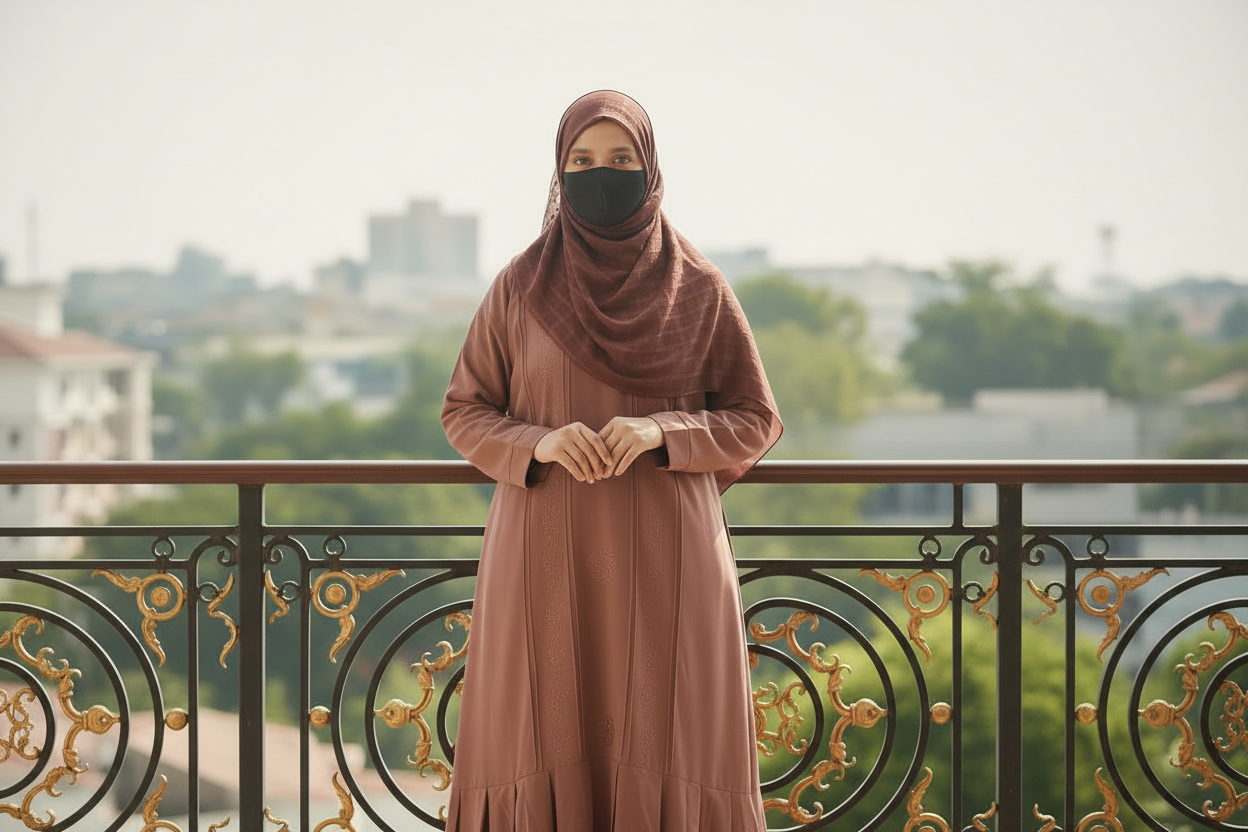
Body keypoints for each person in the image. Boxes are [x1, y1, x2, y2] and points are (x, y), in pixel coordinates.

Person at [440, 89, 782, 832]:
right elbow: (464, 409)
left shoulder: (698, 288)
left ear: (650, 169)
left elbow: (755, 419)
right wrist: (538, 442)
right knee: (544, 722)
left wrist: (665, 430)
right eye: (583, 161)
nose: (601, 175)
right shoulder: (522, 287)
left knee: (668, 726)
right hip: (544, 550)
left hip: (668, 555)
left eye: (622, 159)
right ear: (558, 174)